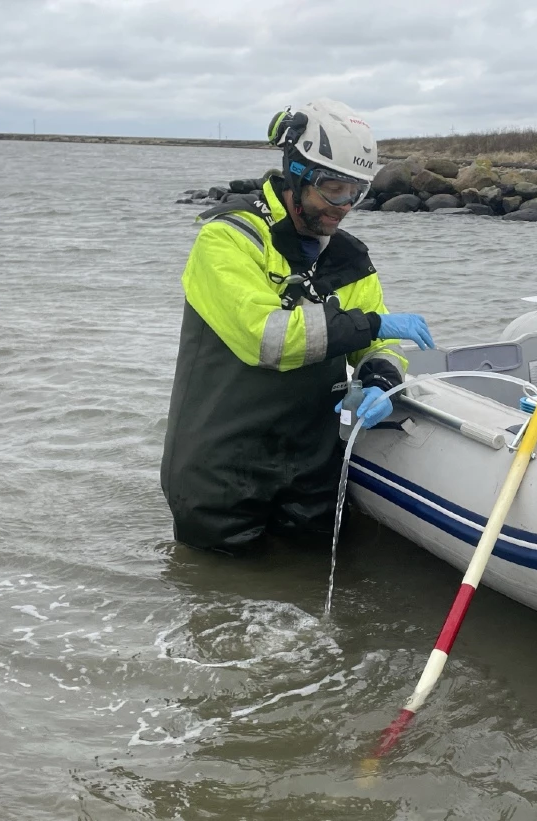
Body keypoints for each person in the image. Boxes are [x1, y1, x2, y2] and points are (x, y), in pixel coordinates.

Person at [161, 98, 434, 553]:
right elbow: (267, 339)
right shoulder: (228, 238)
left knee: (302, 595)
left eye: (356, 192)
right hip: (221, 469)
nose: (344, 206)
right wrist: (371, 325)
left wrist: (381, 379)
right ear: (296, 172)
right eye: (333, 189)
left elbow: (376, 345)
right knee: (217, 601)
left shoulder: (349, 258)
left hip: (310, 467)